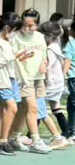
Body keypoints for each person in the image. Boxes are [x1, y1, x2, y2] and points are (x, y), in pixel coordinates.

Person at [11, 8, 53, 153]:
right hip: (24, 78)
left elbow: (44, 56)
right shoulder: (15, 37)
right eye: (24, 25)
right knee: (32, 108)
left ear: (37, 25)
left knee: (24, 109)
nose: (27, 28)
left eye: (31, 25)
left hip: (38, 78)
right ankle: (36, 140)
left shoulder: (40, 37)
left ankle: (13, 137)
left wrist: (44, 64)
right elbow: (12, 57)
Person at [0, 13, 21, 156]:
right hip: (2, 80)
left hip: (11, 78)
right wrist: (12, 57)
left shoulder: (8, 41)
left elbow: (11, 60)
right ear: (7, 28)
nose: (15, 33)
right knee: (12, 108)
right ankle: (3, 140)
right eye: (15, 29)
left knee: (1, 111)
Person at [40, 21, 71, 143]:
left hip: (51, 84)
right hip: (58, 83)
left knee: (39, 107)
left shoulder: (50, 49)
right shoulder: (57, 46)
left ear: (48, 35)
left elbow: (48, 67)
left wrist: (46, 80)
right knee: (56, 108)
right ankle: (67, 133)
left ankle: (31, 135)